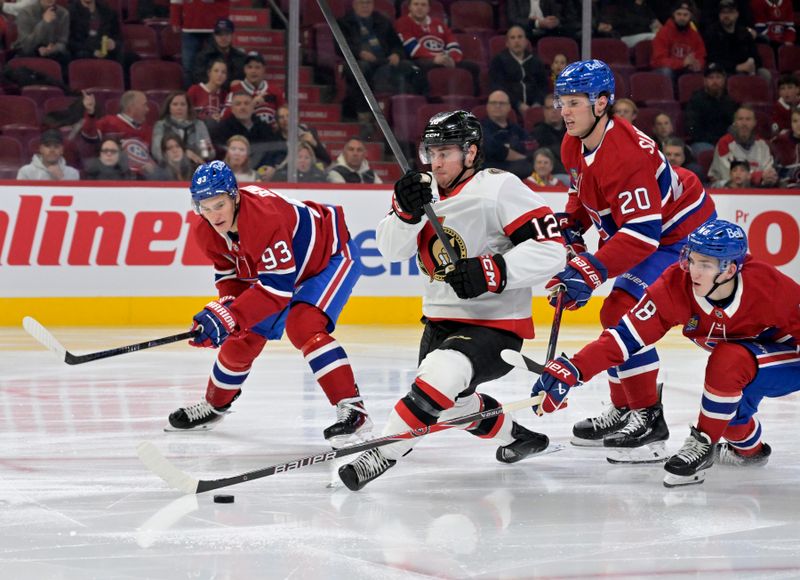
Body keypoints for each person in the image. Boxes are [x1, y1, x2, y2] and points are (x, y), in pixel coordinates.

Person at [337, 110, 566, 491]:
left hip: (495, 326)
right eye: (431, 152)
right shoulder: (420, 188)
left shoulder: (499, 188)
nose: (436, 162)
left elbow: (552, 250)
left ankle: (382, 454)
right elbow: (389, 249)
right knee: (451, 401)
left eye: (445, 152)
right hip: (439, 323)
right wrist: (405, 215)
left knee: (441, 375)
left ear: (471, 153)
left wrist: (492, 270)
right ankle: (520, 438)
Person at [529, 220, 800, 487]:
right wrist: (574, 369)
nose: (693, 271)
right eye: (691, 260)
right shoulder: (675, 285)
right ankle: (750, 453)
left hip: (788, 359)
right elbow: (625, 337)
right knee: (729, 420)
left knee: (728, 360)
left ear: (730, 269)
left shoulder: (768, 286)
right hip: (745, 366)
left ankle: (702, 443)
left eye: (705, 265)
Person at [550, 59, 715, 461]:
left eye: (574, 102)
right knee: (615, 313)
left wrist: (588, 271)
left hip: (680, 239)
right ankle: (625, 406)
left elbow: (643, 235)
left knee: (622, 310)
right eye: (561, 102)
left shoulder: (628, 154)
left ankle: (648, 419)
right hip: (654, 235)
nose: (565, 111)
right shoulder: (574, 142)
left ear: (603, 102)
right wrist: (572, 224)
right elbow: (582, 190)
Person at [167, 160, 371, 448]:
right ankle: (214, 405)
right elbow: (231, 277)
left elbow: (277, 290)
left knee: (303, 326)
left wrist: (232, 314)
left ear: (234, 196)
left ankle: (354, 408)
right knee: (241, 336)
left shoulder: (263, 218)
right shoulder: (205, 232)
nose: (213, 215)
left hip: (327, 258)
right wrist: (226, 313)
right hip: (283, 273)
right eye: (205, 206)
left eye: (219, 204)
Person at [337, 0, 425, 124]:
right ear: (354, 5)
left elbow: (397, 45)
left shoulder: (382, 21)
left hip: (384, 61)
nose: (365, 6)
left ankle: (413, 111)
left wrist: (396, 54)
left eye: (368, 3)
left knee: (412, 68)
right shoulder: (344, 23)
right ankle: (364, 113)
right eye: (362, 3)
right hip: (357, 60)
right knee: (360, 69)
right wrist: (359, 53)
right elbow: (340, 46)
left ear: (373, 5)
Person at [395, 0, 481, 96]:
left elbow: (453, 43)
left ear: (428, 8)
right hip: (420, 60)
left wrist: (452, 59)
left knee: (473, 67)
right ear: (409, 7)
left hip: (443, 58)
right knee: (419, 68)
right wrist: (434, 58)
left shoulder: (438, 24)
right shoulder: (403, 22)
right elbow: (410, 47)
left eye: (423, 5)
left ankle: (474, 100)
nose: (419, 7)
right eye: (416, 4)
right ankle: (429, 100)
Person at [80, 90, 157, 178]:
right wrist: (90, 113)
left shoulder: (148, 129)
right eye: (144, 105)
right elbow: (89, 136)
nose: (148, 109)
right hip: (114, 174)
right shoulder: (108, 122)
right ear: (131, 107)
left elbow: (151, 157)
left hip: (142, 177)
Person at [709, 104, 778, 187]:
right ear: (735, 122)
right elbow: (730, 174)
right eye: (740, 119)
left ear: (754, 122)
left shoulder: (762, 145)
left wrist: (768, 177)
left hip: (756, 187)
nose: (744, 123)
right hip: (726, 189)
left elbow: (768, 170)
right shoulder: (724, 143)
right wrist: (757, 176)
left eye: (748, 119)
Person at [488, 25, 548, 116]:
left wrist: (537, 103)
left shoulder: (535, 61)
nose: (516, 41)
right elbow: (498, 86)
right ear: (507, 43)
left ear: (526, 42)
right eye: (513, 38)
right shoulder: (499, 61)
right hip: (510, 108)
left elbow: (543, 85)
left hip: (535, 107)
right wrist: (518, 104)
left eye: (520, 37)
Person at [171, 1, 231, 87]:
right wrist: (175, 18)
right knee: (188, 67)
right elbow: (176, 1)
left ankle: (219, 95)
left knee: (219, 65)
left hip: (216, 27)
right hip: (190, 27)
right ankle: (190, 97)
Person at [685, 62, 739, 156]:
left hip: (724, 142)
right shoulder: (696, 100)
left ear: (724, 80)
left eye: (718, 77)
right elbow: (693, 128)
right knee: (709, 152)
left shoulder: (729, 101)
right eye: (711, 77)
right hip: (703, 142)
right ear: (705, 81)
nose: (715, 81)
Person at [703, 0, 765, 80]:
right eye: (723, 12)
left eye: (730, 12)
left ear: (737, 14)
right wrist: (736, 67)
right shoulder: (712, 33)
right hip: (725, 71)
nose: (726, 16)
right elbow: (713, 59)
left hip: (746, 69)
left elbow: (757, 58)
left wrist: (752, 64)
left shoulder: (744, 33)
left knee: (764, 73)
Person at [481, 90, 534, 179]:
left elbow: (531, 146)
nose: (497, 106)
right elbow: (492, 149)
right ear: (487, 106)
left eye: (502, 103)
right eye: (493, 103)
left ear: (509, 107)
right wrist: (521, 157)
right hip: (490, 175)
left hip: (520, 174)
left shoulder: (517, 129)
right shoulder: (480, 128)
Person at [650, 1, 706, 83]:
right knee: (667, 72)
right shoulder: (663, 32)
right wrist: (682, 63)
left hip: (685, 69)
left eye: (685, 15)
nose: (682, 18)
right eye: (679, 14)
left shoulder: (694, 34)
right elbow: (658, 61)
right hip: (665, 71)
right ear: (673, 15)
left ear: (690, 16)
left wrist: (697, 64)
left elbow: (701, 55)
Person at [151, 91, 212, 165]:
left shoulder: (199, 124)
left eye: (183, 104)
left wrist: (207, 150)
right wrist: (183, 154)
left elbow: (209, 154)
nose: (179, 108)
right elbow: (157, 152)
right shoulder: (161, 125)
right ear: (169, 107)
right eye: (175, 104)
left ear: (188, 107)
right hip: (170, 167)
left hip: (195, 165)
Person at [222, 52, 283, 125]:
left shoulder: (275, 91)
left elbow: (285, 114)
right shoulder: (235, 89)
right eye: (250, 67)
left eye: (257, 67)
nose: (253, 71)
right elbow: (224, 117)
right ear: (244, 69)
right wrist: (252, 104)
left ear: (264, 69)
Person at [13, 0, 70, 68]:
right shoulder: (26, 12)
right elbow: (26, 46)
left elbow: (62, 42)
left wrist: (53, 49)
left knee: (66, 56)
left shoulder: (63, 13)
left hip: (52, 52)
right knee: (27, 54)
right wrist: (44, 23)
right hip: (30, 51)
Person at [191, 17, 246, 88]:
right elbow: (199, 79)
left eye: (227, 34)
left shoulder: (241, 57)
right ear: (214, 36)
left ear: (233, 35)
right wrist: (227, 84)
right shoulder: (203, 56)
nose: (223, 38)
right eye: (219, 34)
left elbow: (242, 79)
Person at [530, 93, 566, 174]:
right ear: (544, 111)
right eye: (549, 108)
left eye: (557, 107)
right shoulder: (538, 132)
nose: (554, 111)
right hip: (554, 174)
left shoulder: (572, 131)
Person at [187, 57, 228, 123]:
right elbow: (187, 113)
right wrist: (208, 118)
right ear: (209, 73)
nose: (219, 75)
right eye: (216, 71)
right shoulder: (194, 90)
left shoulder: (225, 94)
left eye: (223, 72)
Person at [771, 106, 800, 187]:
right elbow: (775, 173)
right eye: (795, 121)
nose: (799, 124)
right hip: (786, 191)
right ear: (790, 123)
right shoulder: (779, 143)